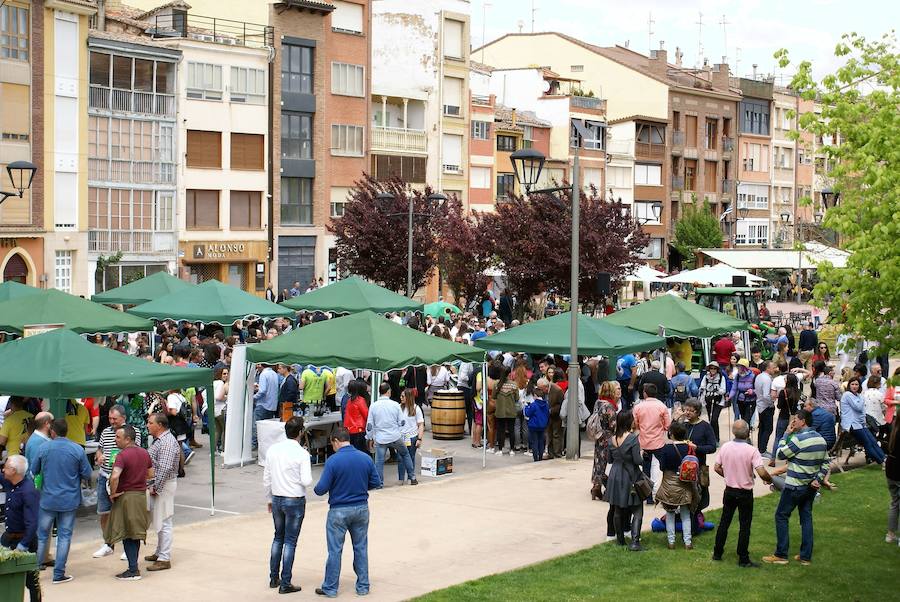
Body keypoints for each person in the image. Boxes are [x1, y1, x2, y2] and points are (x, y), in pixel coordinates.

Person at [313, 427, 381, 598]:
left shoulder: (333, 461)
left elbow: (321, 489)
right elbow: (376, 482)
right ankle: (363, 586)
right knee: (360, 548)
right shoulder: (365, 458)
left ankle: (330, 587)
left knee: (335, 550)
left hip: (339, 510)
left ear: (336, 441)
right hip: (361, 508)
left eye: (332, 444)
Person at [762, 409, 830, 566]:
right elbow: (826, 462)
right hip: (810, 487)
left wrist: (786, 434)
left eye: (795, 420)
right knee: (806, 517)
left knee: (781, 516)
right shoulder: (820, 439)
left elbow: (780, 454)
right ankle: (806, 556)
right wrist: (818, 479)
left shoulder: (799, 439)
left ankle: (781, 554)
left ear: (803, 421)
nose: (793, 422)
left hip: (794, 486)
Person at [34, 419, 92, 584]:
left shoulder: (43, 448)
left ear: (52, 431)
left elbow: (34, 470)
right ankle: (58, 574)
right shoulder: (76, 449)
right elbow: (87, 473)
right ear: (67, 431)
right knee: (64, 536)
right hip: (69, 499)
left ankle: (35, 570)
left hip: (47, 499)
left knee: (42, 535)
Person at [713, 420, 773, 567]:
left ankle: (717, 553)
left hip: (729, 490)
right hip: (745, 492)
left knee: (724, 522)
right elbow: (761, 471)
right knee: (744, 525)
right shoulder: (751, 450)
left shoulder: (726, 447)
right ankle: (743, 558)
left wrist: (728, 475)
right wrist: (769, 479)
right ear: (747, 432)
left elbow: (716, 467)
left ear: (734, 432)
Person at [264, 417, 312, 595]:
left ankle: (273, 577)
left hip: (277, 497)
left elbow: (267, 478)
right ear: (300, 433)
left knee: (278, 537)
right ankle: (285, 581)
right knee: (290, 541)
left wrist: (269, 498)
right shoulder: (301, 454)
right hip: (294, 498)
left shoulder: (273, 450)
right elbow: (306, 480)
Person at [104, 425, 153, 581]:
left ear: (128, 439)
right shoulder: (145, 453)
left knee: (126, 533)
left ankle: (133, 570)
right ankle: (133, 567)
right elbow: (151, 474)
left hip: (126, 496)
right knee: (136, 533)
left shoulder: (122, 455)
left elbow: (114, 476)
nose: (115, 440)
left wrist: (113, 493)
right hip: (140, 496)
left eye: (118, 437)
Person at [92, 404, 141, 559]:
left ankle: (129, 547)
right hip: (105, 475)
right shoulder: (106, 431)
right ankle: (108, 543)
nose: (112, 421)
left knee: (126, 514)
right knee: (104, 513)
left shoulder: (134, 432)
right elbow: (100, 449)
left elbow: (135, 451)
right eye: (110, 418)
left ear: (123, 418)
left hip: (123, 478)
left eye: (115, 419)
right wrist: (98, 456)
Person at [1, 454, 41, 600]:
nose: (3, 470)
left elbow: (32, 523)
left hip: (25, 540)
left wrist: (23, 545)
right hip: (8, 537)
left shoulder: (28, 491)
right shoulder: (9, 483)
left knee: (31, 581)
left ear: (13, 470)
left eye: (5, 468)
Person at [603, 410, 644, 551]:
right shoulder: (632, 438)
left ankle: (620, 540)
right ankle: (635, 542)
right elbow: (637, 460)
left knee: (617, 509)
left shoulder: (611, 439)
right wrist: (643, 455)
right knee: (637, 508)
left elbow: (609, 459)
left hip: (615, 475)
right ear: (628, 421)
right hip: (630, 475)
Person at [656, 421, 698, 550]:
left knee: (670, 514)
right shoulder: (689, 448)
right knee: (686, 515)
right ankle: (688, 542)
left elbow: (662, 467)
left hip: (669, 484)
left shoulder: (666, 449)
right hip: (685, 485)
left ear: (672, 434)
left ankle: (671, 542)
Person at [365, 383, 415, 485]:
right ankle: (412, 477)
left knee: (379, 461)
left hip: (380, 438)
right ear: (388, 391)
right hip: (395, 437)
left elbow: (369, 425)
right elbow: (402, 422)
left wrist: (369, 438)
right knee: (405, 454)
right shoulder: (395, 405)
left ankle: (379, 483)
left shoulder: (373, 406)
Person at [679, 398, 717, 530]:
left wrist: (697, 448)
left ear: (698, 412)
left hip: (699, 468)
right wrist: (676, 419)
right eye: (686, 410)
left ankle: (695, 525)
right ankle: (688, 524)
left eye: (691, 410)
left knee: (699, 497)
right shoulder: (684, 425)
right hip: (684, 467)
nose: (687, 413)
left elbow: (712, 447)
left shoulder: (705, 426)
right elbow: (671, 434)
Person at [632, 383, 670, 504]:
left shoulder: (638, 407)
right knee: (663, 468)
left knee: (646, 469)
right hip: (658, 442)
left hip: (644, 442)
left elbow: (635, 424)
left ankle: (648, 497)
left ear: (645, 393)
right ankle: (662, 492)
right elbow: (668, 425)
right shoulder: (662, 406)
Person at [841, 377, 886, 464]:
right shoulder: (847, 395)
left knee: (873, 441)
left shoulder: (858, 396)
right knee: (867, 443)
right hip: (852, 425)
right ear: (849, 386)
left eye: (856, 384)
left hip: (860, 424)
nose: (854, 386)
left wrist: (861, 399)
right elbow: (858, 407)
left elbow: (862, 413)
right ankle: (881, 461)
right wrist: (862, 399)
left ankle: (884, 459)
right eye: (852, 384)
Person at [589, 381, 619, 499]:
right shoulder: (609, 406)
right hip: (607, 437)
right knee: (605, 462)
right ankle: (602, 485)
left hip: (598, 436)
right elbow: (613, 425)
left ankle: (596, 486)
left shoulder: (598, 402)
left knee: (598, 461)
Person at [398, 389, 424, 483]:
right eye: (401, 396)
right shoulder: (399, 407)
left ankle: (410, 477)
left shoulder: (416, 408)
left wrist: (419, 439)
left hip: (412, 437)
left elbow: (421, 424)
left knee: (411, 457)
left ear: (408, 397)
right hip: (401, 437)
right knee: (400, 458)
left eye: (403, 396)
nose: (401, 398)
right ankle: (401, 478)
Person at [698, 362, 728, 442]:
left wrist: (717, 390)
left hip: (718, 401)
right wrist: (702, 391)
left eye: (715, 368)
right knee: (710, 419)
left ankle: (716, 439)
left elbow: (723, 390)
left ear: (717, 369)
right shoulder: (706, 377)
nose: (713, 370)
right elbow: (702, 386)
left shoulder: (721, 378)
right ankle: (711, 438)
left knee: (714, 419)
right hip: (708, 400)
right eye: (711, 368)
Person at [253, 364, 280, 449]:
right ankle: (265, 448)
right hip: (272, 405)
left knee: (257, 427)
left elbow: (263, 391)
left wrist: (253, 397)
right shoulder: (274, 374)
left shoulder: (263, 374)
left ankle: (255, 446)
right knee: (267, 429)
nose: (257, 366)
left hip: (263, 404)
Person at [524, 378, 550, 463]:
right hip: (542, 425)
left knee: (534, 442)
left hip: (533, 426)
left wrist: (526, 407)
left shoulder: (534, 405)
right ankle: (541, 456)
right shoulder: (546, 404)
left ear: (535, 395)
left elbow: (528, 413)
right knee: (541, 441)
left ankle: (536, 458)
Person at [754, 361, 778, 454]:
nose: (775, 369)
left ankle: (761, 449)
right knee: (768, 429)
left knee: (762, 428)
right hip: (766, 406)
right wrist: (772, 402)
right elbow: (766, 395)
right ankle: (763, 450)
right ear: (767, 368)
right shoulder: (767, 379)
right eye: (773, 367)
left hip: (760, 405)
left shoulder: (759, 376)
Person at [343, 380, 370, 454]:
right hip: (359, 429)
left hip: (350, 430)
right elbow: (366, 415)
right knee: (361, 451)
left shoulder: (349, 400)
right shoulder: (360, 400)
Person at [24, 411, 53, 477]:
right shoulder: (37, 442)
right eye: (53, 422)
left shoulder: (40, 439)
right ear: (47, 423)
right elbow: (36, 470)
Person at [886, 413, 899, 546]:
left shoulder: (893, 430)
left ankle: (890, 534)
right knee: (896, 502)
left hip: (891, 470)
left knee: (895, 502)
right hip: (897, 470)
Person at [729, 359, 757, 423]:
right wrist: (729, 396)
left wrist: (752, 392)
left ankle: (747, 431)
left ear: (745, 367)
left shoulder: (753, 376)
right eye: (738, 366)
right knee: (743, 418)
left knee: (747, 420)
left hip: (750, 400)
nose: (738, 368)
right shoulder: (738, 376)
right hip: (740, 400)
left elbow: (757, 389)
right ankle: (745, 432)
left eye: (740, 366)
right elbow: (734, 388)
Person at [213, 367, 229, 453]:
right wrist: (227, 397)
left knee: (217, 430)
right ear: (220, 374)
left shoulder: (214, 383)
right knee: (224, 430)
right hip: (221, 409)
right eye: (224, 374)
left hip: (213, 410)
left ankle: (213, 450)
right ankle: (224, 450)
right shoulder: (220, 383)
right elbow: (218, 397)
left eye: (227, 373)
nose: (226, 375)